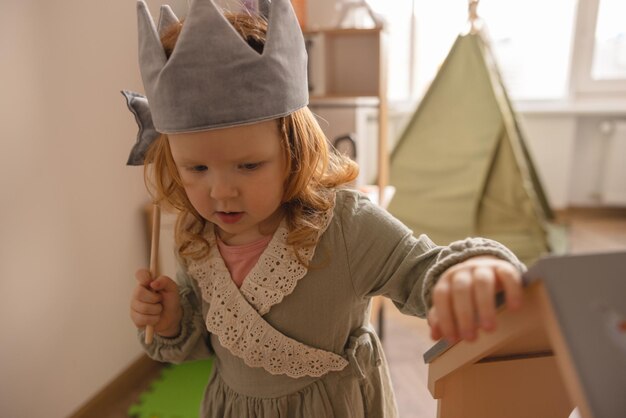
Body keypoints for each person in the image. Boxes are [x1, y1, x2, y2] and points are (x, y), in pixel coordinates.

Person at [125, 1, 526, 416]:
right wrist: (173, 319)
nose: (222, 192)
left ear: (293, 150)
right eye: (197, 168)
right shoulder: (196, 236)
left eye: (249, 166)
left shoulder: (345, 226)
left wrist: (467, 273)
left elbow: (420, 270)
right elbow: (208, 339)